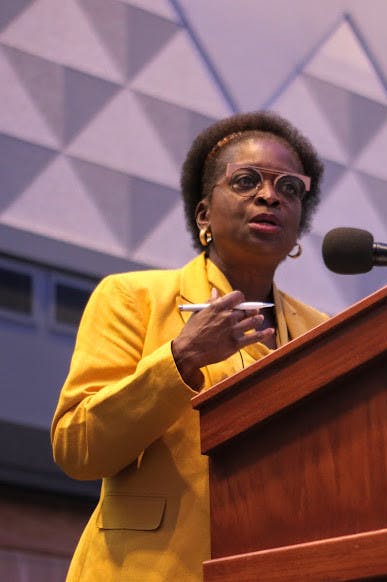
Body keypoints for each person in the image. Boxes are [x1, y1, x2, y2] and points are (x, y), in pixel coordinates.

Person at [50, 111, 329, 581]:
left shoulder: (321, 332)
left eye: (289, 189)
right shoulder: (133, 298)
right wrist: (179, 361)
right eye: (246, 181)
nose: (269, 196)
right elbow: (78, 450)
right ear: (204, 213)